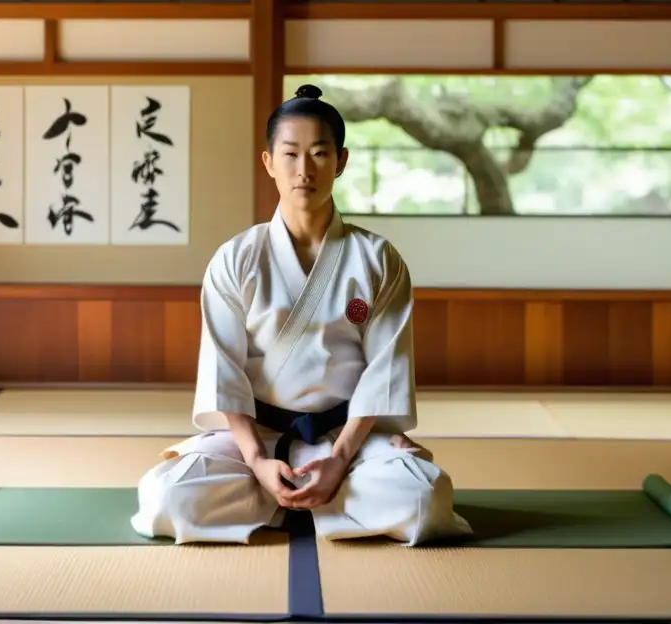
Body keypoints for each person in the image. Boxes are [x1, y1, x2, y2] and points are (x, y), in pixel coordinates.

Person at [130, 84, 473, 546]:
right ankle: (309, 498)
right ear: (269, 161)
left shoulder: (376, 259)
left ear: (342, 161)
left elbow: (384, 371)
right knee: (167, 498)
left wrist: (341, 455)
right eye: (290, 154)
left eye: (319, 153)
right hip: (256, 437)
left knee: (423, 498)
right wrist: (255, 460)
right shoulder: (236, 259)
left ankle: (302, 493)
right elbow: (223, 372)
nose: (304, 170)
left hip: (345, 438)